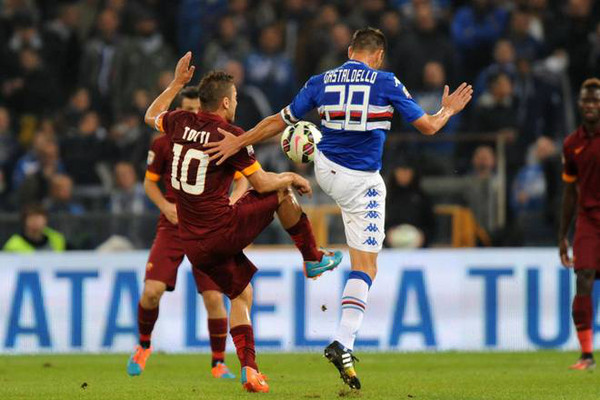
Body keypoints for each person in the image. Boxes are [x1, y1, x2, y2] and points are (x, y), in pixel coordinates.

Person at [206, 27, 472, 389]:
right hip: (361, 180)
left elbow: (275, 121)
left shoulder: (321, 80)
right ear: (378, 56)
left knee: (313, 136)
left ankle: (312, 248)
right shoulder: (386, 81)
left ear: (349, 50)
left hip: (325, 167)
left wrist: (240, 139)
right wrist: (448, 110)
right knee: (366, 266)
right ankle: (343, 342)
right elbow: (428, 127)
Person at [142, 53, 342, 393]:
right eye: (234, 99)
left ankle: (250, 371)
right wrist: (291, 175)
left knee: (241, 295)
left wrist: (176, 84)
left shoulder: (177, 122)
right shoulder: (230, 135)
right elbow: (263, 185)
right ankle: (312, 257)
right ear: (224, 102)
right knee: (281, 194)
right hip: (221, 230)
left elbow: (150, 115)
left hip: (193, 243)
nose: (236, 104)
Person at [127, 86, 244, 380]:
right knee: (151, 292)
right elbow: (149, 183)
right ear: (180, 111)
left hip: (208, 227)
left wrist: (229, 203)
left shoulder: (221, 139)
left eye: (196, 110)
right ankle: (143, 346)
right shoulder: (163, 143)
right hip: (174, 224)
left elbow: (243, 181)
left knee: (214, 298)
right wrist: (165, 207)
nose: (193, 115)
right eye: (187, 110)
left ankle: (218, 363)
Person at [559, 78, 600, 371]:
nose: (590, 106)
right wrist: (563, 235)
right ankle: (587, 355)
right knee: (583, 277)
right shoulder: (572, 144)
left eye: (595, 101)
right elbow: (569, 191)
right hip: (588, 220)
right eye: (586, 101)